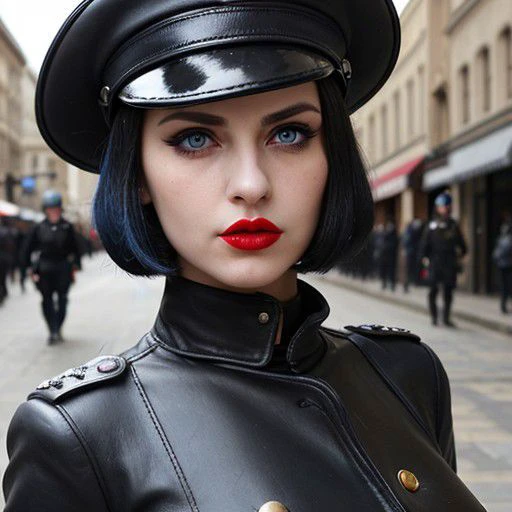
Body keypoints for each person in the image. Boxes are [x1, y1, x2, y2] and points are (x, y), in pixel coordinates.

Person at [3, 1, 485, 511]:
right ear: (138, 173)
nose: (251, 185)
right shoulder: (83, 435)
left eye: (289, 134)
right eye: (194, 138)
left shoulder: (407, 373)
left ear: (332, 152)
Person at [21, 190, 82, 344]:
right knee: (46, 300)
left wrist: (76, 264)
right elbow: (28, 248)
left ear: (60, 209)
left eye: (55, 209)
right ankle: (52, 330)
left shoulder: (67, 227)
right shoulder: (39, 228)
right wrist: (28, 268)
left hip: (63, 268)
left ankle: (58, 326)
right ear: (46, 210)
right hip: (45, 268)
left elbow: (75, 247)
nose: (53, 211)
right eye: (50, 209)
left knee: (62, 300)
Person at [419, 192, 467, 327]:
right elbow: (424, 244)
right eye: (441, 206)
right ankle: (434, 317)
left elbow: (463, 245)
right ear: (437, 208)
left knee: (448, 291)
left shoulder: (453, 225)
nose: (444, 209)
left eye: (446, 206)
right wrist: (424, 259)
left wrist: (460, 255)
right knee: (433, 290)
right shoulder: (431, 225)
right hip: (434, 261)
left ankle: (446, 318)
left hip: (449, 262)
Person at [492, 212, 512, 314]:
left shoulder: (503, 236)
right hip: (506, 264)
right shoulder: (506, 236)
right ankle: (503, 306)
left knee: (505, 286)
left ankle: (503, 305)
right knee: (506, 286)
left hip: (503, 263)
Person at [402, 218, 424, 293]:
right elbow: (406, 241)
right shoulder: (410, 231)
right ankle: (407, 284)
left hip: (415, 253)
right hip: (411, 253)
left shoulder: (417, 231)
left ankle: (415, 282)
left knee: (415, 269)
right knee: (409, 270)